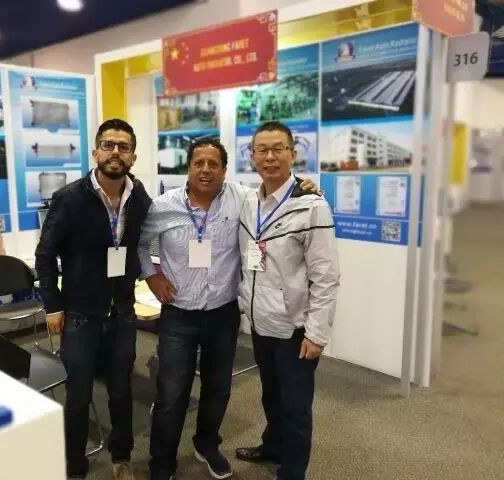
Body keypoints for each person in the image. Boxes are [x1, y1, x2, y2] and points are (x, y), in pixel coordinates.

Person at [138, 139, 317, 480]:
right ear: (189, 168)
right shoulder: (163, 207)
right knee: (172, 393)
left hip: (223, 313)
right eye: (199, 163)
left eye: (213, 164)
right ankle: (162, 462)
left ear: (224, 169)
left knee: (218, 388)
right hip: (179, 315)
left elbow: (276, 196)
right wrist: (152, 275)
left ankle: (207, 445)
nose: (205, 170)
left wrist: (304, 188)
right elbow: (140, 243)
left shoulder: (244, 199)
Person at [35, 119, 152, 480]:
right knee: (78, 395)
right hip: (80, 315)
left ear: (133, 156)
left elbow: (145, 241)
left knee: (121, 390)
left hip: (122, 312)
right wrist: (53, 305)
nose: (115, 152)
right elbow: (45, 255)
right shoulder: (69, 198)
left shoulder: (140, 198)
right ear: (95, 152)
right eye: (108, 145)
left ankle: (121, 457)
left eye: (124, 146)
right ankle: (75, 465)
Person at [234, 121, 340, 480]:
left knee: (296, 407)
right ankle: (273, 447)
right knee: (271, 396)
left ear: (293, 154)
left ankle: (292, 473)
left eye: (278, 149)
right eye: (261, 150)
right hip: (260, 321)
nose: (270, 157)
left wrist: (317, 334)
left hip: (295, 330)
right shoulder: (248, 200)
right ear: (252, 156)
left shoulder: (312, 207)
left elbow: (326, 277)